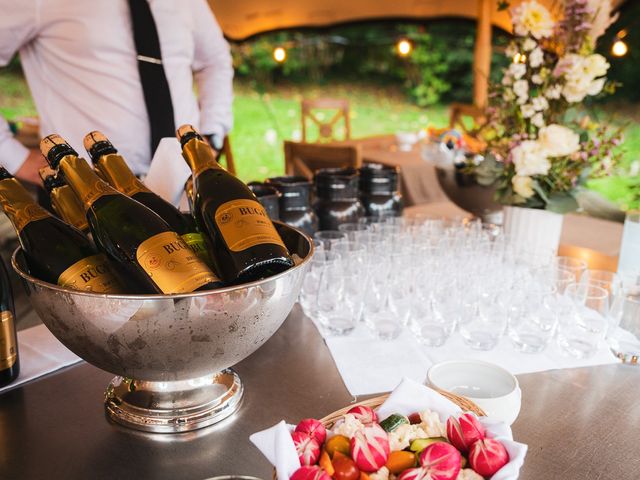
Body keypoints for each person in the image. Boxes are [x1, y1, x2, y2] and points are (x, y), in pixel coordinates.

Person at [0, 0, 233, 184]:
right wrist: (16, 159)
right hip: (88, 191)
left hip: (184, 180)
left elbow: (215, 60)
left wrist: (211, 135)